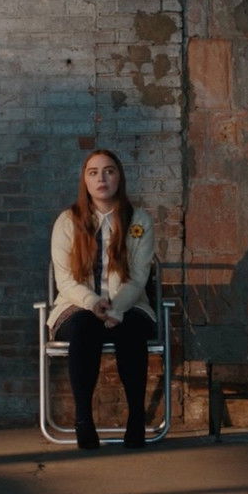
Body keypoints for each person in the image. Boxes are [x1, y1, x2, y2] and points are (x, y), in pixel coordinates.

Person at [48, 148, 156, 449]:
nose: (101, 178)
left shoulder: (139, 220)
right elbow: (65, 279)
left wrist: (117, 308)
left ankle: (136, 419)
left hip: (130, 304)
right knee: (85, 326)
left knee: (131, 328)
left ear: (119, 177)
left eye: (109, 171)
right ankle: (84, 419)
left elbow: (139, 276)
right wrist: (94, 302)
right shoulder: (67, 221)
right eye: (93, 172)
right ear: (85, 180)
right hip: (77, 306)